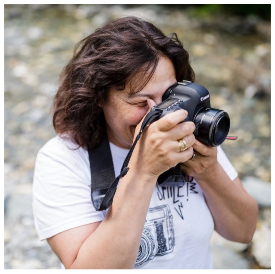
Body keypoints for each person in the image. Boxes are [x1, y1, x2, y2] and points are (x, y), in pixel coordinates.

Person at [32, 16, 258, 269]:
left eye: (170, 96)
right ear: (97, 97)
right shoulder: (63, 159)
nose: (164, 114)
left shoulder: (186, 130)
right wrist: (142, 171)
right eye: (141, 102)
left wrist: (209, 171)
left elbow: (243, 232)